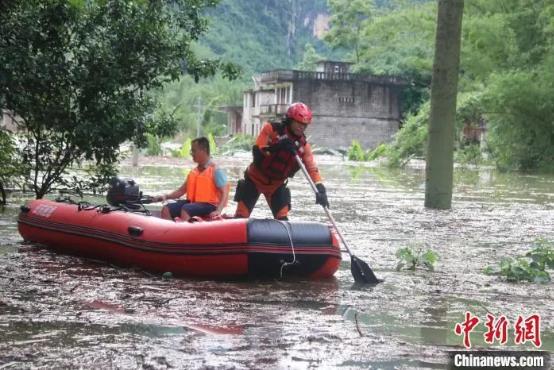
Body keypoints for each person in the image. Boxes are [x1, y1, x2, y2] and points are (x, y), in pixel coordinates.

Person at [233, 102, 329, 221]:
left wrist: (320, 188)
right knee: (241, 215)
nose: (301, 127)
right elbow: (258, 153)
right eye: (298, 123)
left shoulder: (303, 147)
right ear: (290, 120)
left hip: (276, 185)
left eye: (304, 125)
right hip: (255, 179)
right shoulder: (271, 129)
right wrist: (277, 146)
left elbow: (312, 168)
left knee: (283, 218)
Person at [153, 137, 228, 222]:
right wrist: (165, 196)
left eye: (193, 151)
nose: (191, 154)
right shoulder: (194, 172)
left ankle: (185, 233)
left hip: (210, 206)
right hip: (193, 203)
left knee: (187, 209)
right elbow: (181, 191)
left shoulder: (216, 170)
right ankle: (172, 233)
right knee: (167, 209)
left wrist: (218, 210)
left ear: (203, 150)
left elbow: (224, 193)